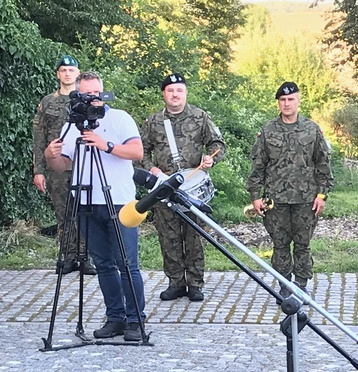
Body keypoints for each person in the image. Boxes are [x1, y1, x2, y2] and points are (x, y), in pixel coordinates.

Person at [44, 71, 147, 341]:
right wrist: (49, 155)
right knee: (102, 263)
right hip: (87, 201)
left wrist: (107, 145)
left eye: (97, 94)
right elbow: (62, 164)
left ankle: (136, 320)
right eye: (87, 95)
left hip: (120, 200)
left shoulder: (120, 118)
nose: (93, 100)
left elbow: (137, 153)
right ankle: (115, 318)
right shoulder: (73, 123)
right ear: (77, 94)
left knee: (127, 262)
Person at [140, 73, 226, 302]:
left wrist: (211, 159)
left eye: (179, 90)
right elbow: (141, 150)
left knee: (194, 235)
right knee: (168, 236)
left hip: (192, 186)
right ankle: (175, 282)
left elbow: (218, 144)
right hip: (163, 187)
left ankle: (195, 283)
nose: (175, 94)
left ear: (185, 93)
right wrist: (151, 169)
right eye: (170, 90)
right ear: (164, 94)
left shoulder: (200, 117)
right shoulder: (154, 122)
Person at [246, 81, 333, 298]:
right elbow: (258, 165)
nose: (287, 104)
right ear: (278, 103)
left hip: (306, 199)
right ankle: (285, 286)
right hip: (276, 200)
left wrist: (322, 195)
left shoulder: (312, 129)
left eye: (291, 99)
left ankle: (301, 286)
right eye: (283, 100)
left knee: (303, 245)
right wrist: (255, 196)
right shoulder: (268, 130)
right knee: (280, 245)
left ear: (298, 101)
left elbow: (323, 165)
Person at [32, 55, 96, 275]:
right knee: (64, 213)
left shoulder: (86, 99)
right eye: (63, 70)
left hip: (84, 163)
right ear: (58, 74)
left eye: (71, 70)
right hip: (58, 166)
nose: (67, 74)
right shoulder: (48, 102)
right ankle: (68, 256)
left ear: (78, 73)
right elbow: (39, 137)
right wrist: (38, 170)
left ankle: (86, 257)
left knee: (86, 211)